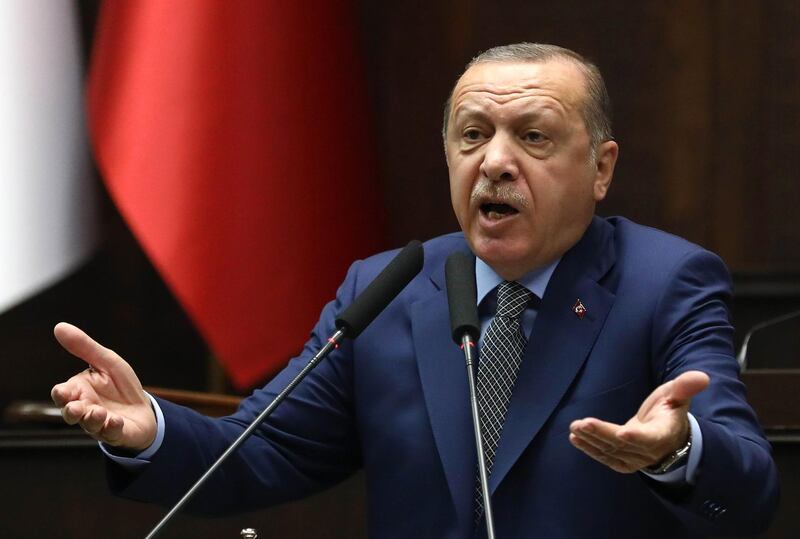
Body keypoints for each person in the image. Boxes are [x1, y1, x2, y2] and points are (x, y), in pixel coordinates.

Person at [51, 43, 778, 538]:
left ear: (601, 167)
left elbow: (749, 495)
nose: (494, 162)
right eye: (472, 135)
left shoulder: (666, 281)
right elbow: (258, 450)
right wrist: (151, 427)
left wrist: (678, 449)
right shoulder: (388, 288)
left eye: (532, 137)